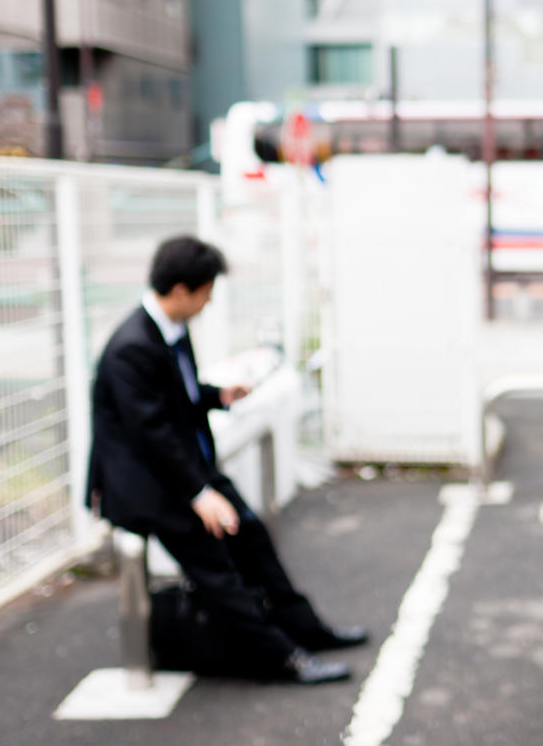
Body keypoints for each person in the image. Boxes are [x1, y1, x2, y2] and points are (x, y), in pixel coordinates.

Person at [86, 235, 366, 684]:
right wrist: (199, 495)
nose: (210, 300)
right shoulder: (131, 348)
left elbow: (175, 400)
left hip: (184, 470)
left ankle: (304, 629)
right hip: (153, 486)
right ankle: (282, 658)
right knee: (217, 570)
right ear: (181, 290)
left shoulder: (167, 330)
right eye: (206, 290)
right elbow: (150, 435)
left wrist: (217, 395)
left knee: (253, 538)